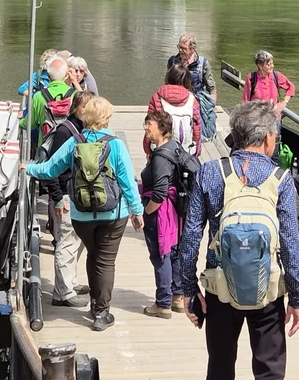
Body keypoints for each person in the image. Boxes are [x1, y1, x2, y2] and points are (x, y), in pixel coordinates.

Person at [177, 101, 299, 380]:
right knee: (269, 375)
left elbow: (190, 235)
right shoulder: (282, 179)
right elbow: (291, 243)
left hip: (220, 290)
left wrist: (188, 290)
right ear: (267, 139)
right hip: (268, 293)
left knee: (220, 365)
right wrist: (297, 296)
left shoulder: (210, 172)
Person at [25, 95, 144, 332]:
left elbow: (49, 169)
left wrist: (28, 167)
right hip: (113, 214)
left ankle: (94, 304)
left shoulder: (74, 143)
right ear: (106, 118)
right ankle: (101, 312)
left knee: (93, 254)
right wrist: (137, 211)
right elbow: (128, 183)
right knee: (105, 261)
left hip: (81, 215)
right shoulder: (115, 145)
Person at [28, 59, 83, 307]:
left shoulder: (40, 96)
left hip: (50, 161)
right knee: (67, 237)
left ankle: (68, 284)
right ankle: (64, 289)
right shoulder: (73, 97)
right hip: (69, 182)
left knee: (65, 232)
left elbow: (26, 123)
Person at [140, 109, 190, 319]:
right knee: (174, 251)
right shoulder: (175, 146)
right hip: (176, 210)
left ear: (162, 128)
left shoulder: (160, 156)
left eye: (149, 124)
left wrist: (145, 212)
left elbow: (160, 192)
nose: (145, 128)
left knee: (160, 254)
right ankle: (177, 296)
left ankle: (162, 303)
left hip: (161, 212)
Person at [146, 63, 204, 157]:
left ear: (168, 77)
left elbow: (150, 126)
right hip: (185, 152)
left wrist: (147, 150)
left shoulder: (157, 98)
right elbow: (197, 128)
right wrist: (197, 151)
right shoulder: (192, 100)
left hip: (161, 151)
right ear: (187, 80)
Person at [170, 34, 217, 148]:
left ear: (192, 49)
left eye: (184, 48)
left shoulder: (202, 63)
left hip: (195, 104)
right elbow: (168, 84)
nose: (180, 50)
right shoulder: (172, 61)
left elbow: (212, 88)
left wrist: (211, 105)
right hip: (176, 103)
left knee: (197, 135)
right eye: (179, 47)